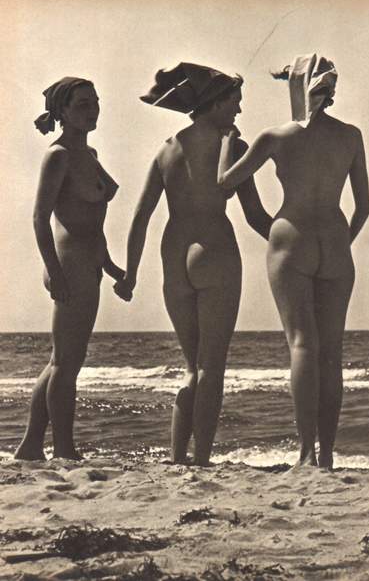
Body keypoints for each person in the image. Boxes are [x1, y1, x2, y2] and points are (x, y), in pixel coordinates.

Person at [217, 54, 369, 469]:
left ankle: (305, 454)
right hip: (335, 239)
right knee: (331, 352)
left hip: (292, 237)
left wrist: (227, 143)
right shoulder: (351, 136)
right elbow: (363, 207)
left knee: (303, 343)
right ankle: (327, 455)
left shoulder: (275, 137)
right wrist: (341, 243)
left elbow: (225, 183)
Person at [114, 63, 272, 466]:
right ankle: (201, 459)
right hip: (214, 249)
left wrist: (130, 274)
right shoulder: (233, 146)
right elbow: (255, 216)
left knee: (191, 367)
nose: (239, 110)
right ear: (216, 103)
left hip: (173, 256)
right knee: (211, 368)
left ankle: (177, 458)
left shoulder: (167, 149)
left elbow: (141, 217)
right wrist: (293, 242)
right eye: (235, 102)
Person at [15, 77, 124, 461]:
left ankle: (31, 446)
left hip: (89, 262)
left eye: (95, 102)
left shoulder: (88, 154)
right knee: (67, 362)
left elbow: (93, 222)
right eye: (82, 104)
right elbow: (39, 218)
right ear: (62, 111)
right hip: (69, 264)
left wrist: (111, 267)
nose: (93, 110)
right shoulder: (58, 155)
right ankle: (64, 448)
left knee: (61, 360)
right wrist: (55, 273)